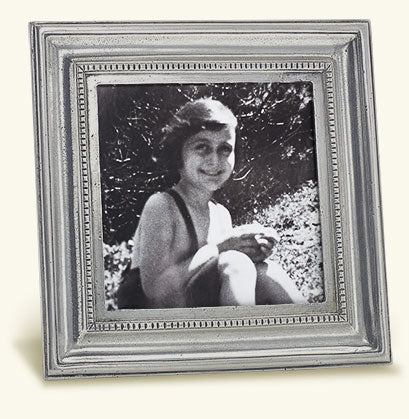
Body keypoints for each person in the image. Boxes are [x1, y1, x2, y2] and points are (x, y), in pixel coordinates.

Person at [117, 98, 306, 309]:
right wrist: (221, 247)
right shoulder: (162, 205)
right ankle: (240, 330)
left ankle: (310, 323)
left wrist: (253, 250)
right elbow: (154, 291)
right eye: (202, 147)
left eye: (225, 149)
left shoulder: (221, 214)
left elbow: (218, 274)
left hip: (197, 311)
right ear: (178, 153)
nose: (214, 161)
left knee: (265, 271)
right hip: (155, 322)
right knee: (236, 262)